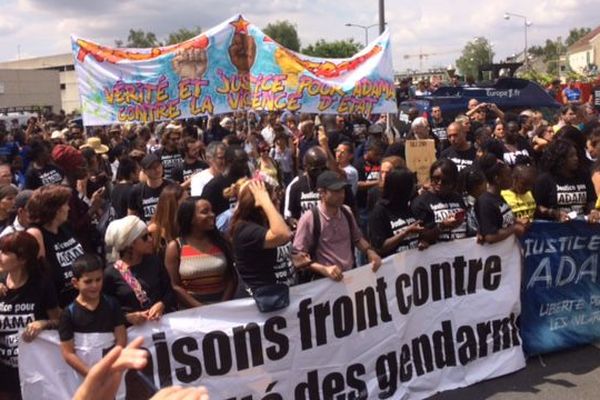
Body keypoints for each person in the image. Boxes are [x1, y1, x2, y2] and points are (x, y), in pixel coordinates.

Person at [0, 232, 60, 400]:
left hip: (35, 372)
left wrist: (44, 324)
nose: (0, 256)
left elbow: (59, 321)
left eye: (5, 252)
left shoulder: (41, 284)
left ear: (22, 259)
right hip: (4, 376)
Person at [293, 171, 381, 281]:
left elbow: (357, 239)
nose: (341, 195)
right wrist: (324, 269)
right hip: (323, 282)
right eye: (336, 191)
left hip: (350, 278)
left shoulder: (347, 212)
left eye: (342, 190)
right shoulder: (309, 218)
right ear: (322, 193)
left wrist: (370, 252)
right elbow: (297, 257)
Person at [59, 254, 127, 377]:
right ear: (75, 283)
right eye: (88, 281)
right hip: (84, 378)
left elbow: (121, 339)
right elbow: (68, 353)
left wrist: (109, 365)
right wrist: (91, 374)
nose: (94, 285)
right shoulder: (69, 313)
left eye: (98, 280)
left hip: (111, 373)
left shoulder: (112, 304)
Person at [165, 197, 236, 309]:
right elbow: (174, 285)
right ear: (190, 218)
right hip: (192, 312)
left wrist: (223, 305)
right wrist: (201, 308)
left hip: (224, 308)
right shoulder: (175, 247)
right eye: (205, 212)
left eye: (211, 210)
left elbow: (231, 278)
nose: (212, 215)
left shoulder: (222, 242)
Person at [104, 216, 176, 325]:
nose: (150, 239)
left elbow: (169, 291)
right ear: (131, 243)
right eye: (145, 237)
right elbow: (107, 311)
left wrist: (162, 304)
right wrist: (127, 318)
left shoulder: (155, 262)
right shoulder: (110, 274)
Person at [26, 184, 85, 307]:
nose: (68, 208)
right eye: (65, 205)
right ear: (55, 209)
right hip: (60, 304)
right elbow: (40, 277)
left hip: (82, 298)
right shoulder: (36, 234)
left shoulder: (65, 226)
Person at [230, 179, 291, 297]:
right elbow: (283, 235)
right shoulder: (245, 230)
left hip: (280, 296)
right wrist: (265, 200)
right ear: (259, 205)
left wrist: (292, 260)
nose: (278, 203)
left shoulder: (267, 224)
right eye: (273, 200)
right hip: (261, 301)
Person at [411, 159, 467, 248]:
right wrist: (442, 226)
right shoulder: (421, 202)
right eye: (436, 179)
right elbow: (420, 238)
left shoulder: (458, 198)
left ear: (453, 182)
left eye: (445, 181)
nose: (439, 183)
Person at [534, 139, 595, 221]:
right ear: (560, 158)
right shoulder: (545, 179)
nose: (576, 158)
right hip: (555, 228)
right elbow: (537, 207)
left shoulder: (583, 176)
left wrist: (593, 212)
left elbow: (591, 200)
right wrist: (553, 213)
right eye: (571, 156)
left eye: (576, 155)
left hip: (581, 226)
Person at [368, 168, 423, 257]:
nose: (415, 188)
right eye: (412, 185)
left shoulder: (410, 206)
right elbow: (380, 247)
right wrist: (405, 233)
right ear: (401, 189)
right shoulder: (379, 212)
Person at [475, 155, 527, 244]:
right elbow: (490, 236)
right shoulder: (485, 202)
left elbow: (502, 221)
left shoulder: (499, 197)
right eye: (508, 175)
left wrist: (518, 220)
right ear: (497, 179)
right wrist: (514, 228)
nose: (512, 179)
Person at [202, 145, 250, 217]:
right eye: (241, 161)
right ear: (228, 161)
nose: (245, 165)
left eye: (246, 161)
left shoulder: (247, 181)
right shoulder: (213, 186)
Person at [128, 153, 174, 223]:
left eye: (158, 165)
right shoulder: (136, 191)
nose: (157, 169)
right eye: (151, 167)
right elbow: (131, 217)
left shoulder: (172, 186)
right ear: (144, 171)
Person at [147, 184, 187, 257]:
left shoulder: (186, 226)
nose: (188, 204)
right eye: (185, 201)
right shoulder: (153, 231)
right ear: (172, 205)